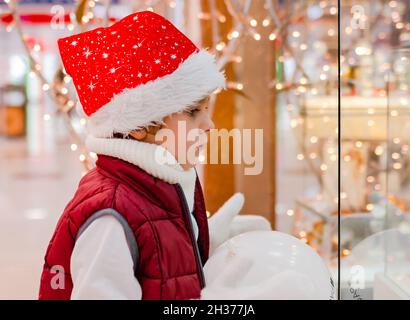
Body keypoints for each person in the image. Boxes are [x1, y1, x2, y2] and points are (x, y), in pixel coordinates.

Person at [38, 11, 269, 300]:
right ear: (138, 127)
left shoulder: (159, 184)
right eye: (194, 112)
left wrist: (200, 244)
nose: (209, 125)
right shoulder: (111, 219)